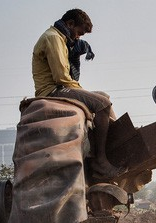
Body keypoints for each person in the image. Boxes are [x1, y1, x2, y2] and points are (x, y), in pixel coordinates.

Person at [32, 8, 121, 179]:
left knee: (104, 96)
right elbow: (61, 78)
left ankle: (117, 137)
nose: (78, 38)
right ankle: (100, 160)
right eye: (79, 33)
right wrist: (83, 92)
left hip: (59, 87)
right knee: (103, 104)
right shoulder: (53, 38)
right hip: (52, 91)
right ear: (70, 24)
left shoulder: (60, 37)